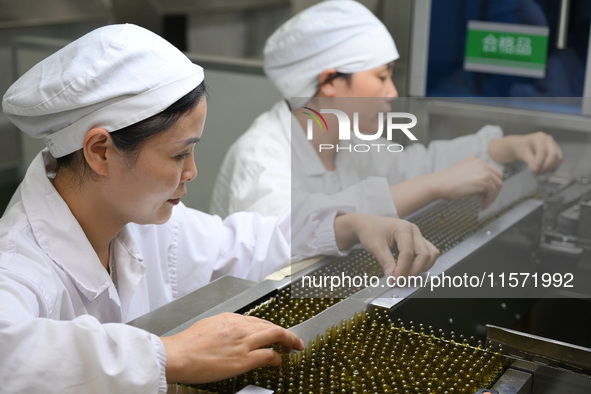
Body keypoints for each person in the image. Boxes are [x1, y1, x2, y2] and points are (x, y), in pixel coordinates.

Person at [0, 24, 439, 393]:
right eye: (178, 155)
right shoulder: (20, 262)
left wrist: (347, 224)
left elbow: (240, 243)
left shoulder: (141, 224)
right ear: (99, 151)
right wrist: (170, 354)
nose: (191, 171)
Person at [210, 0, 563, 219]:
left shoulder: (347, 141)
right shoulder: (262, 158)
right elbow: (287, 239)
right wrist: (435, 185)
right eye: (381, 76)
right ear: (330, 81)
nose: (392, 92)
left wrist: (503, 147)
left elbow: (414, 165)